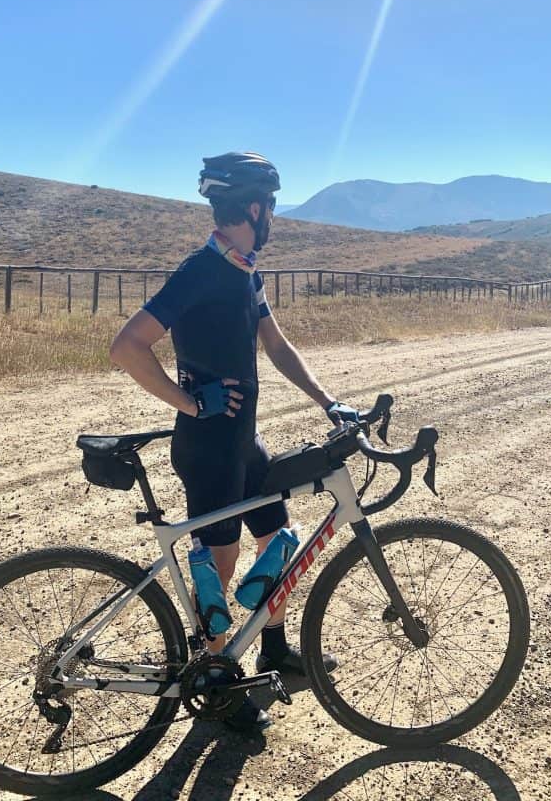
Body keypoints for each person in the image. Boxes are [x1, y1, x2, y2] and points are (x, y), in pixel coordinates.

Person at [109, 151, 358, 731]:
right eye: (271, 206)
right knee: (219, 566)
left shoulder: (246, 269)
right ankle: (218, 681)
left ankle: (272, 648)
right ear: (254, 206)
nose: (274, 216)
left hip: (242, 442)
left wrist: (328, 402)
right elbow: (127, 347)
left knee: (279, 539)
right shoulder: (201, 270)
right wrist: (191, 403)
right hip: (208, 446)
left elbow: (276, 344)